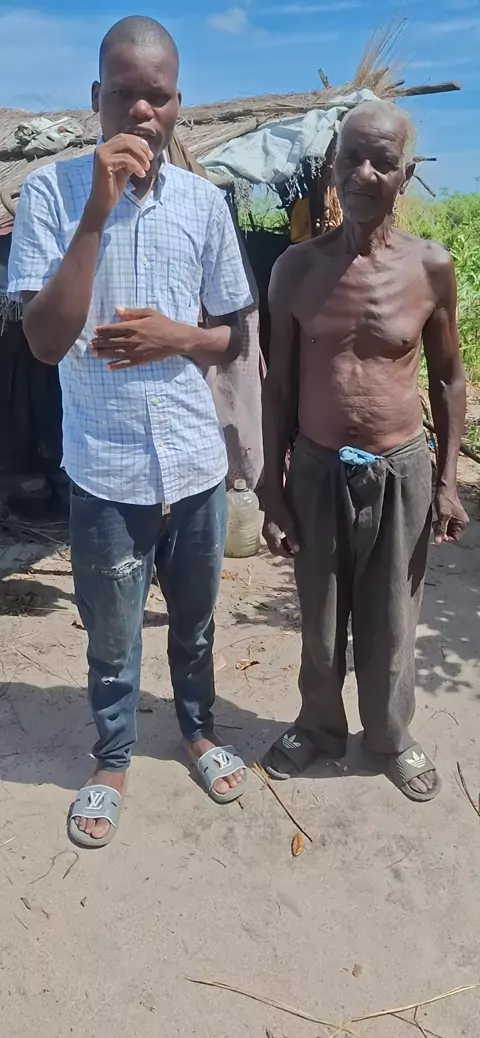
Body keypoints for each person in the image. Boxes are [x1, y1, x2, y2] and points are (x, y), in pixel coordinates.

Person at [8, 15, 252, 847]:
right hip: (105, 468)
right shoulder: (50, 195)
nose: (143, 112)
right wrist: (96, 212)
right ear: (97, 98)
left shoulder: (204, 204)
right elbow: (45, 342)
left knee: (196, 622)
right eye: (124, 94)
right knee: (112, 637)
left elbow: (235, 337)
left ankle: (199, 731)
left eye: (159, 96)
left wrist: (176, 337)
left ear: (179, 103)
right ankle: (111, 759)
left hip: (193, 461)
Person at [262, 100, 468, 803]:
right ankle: (319, 729)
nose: (364, 173)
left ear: (405, 175)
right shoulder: (295, 269)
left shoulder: (431, 267)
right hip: (317, 469)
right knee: (320, 622)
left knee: (392, 621)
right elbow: (278, 383)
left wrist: (448, 482)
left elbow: (449, 377)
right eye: (351, 156)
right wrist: (272, 485)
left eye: (383, 161)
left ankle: (390, 736)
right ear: (332, 165)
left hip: (400, 469)